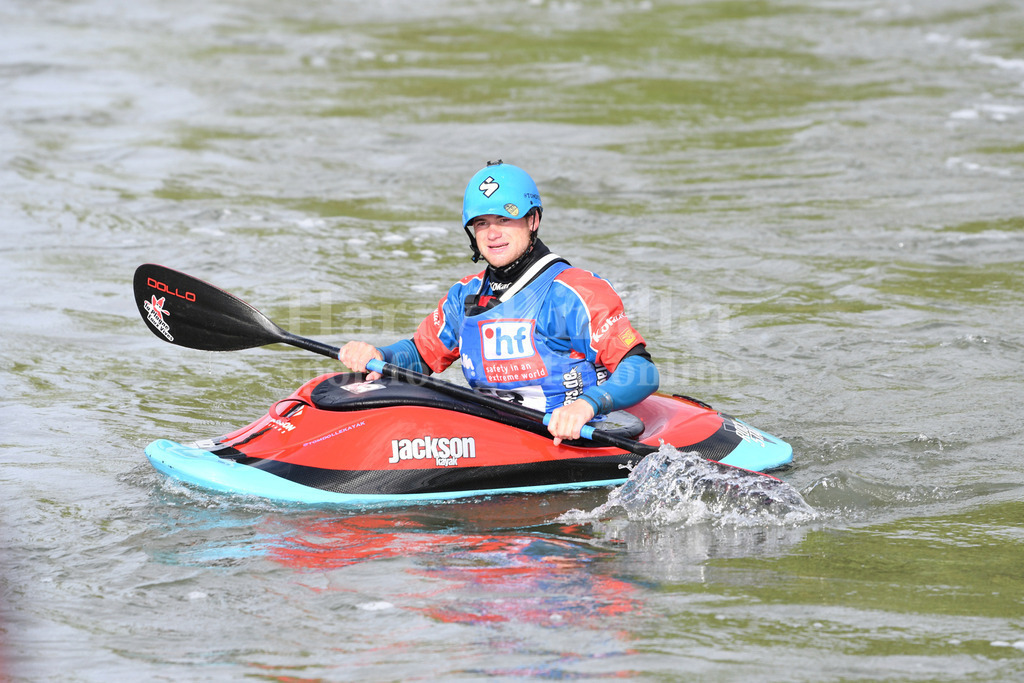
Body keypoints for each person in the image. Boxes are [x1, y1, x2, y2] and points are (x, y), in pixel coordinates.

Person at [338, 161, 659, 445]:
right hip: (494, 435)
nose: (492, 234)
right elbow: (419, 355)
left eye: (505, 219)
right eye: (482, 223)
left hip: (567, 437)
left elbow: (641, 371)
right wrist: (379, 355)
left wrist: (587, 405)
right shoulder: (465, 295)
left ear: (533, 220)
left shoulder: (574, 292)